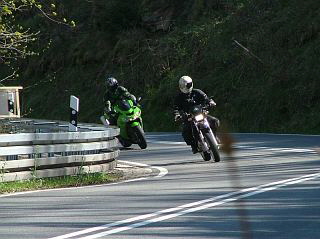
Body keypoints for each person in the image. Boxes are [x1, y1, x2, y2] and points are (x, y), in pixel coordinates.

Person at [173, 75, 220, 154]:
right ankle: (194, 145)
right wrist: (177, 115)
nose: (185, 87)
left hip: (201, 114)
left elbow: (206, 98)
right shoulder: (179, 97)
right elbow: (175, 108)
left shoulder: (197, 92)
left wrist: (210, 102)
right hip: (189, 118)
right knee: (186, 132)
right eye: (183, 85)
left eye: (187, 85)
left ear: (191, 84)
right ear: (180, 86)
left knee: (215, 121)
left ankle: (214, 137)